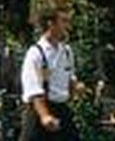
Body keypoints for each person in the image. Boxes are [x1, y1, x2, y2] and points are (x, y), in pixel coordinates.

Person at [19, 12, 76, 141]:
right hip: (39, 112)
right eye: (64, 22)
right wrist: (45, 116)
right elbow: (33, 89)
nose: (68, 26)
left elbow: (69, 76)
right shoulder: (36, 53)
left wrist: (75, 85)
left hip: (62, 111)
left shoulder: (67, 51)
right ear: (51, 24)